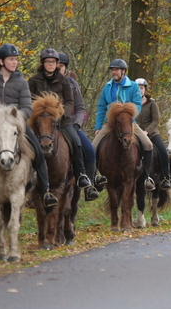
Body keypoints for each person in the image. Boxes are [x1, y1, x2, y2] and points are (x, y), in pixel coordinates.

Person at [0, 44, 58, 214]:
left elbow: (27, 108)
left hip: (17, 127)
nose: (15, 62)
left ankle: (46, 192)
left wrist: (13, 119)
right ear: (1, 61)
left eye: (16, 59)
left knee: (38, 152)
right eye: (11, 59)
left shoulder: (21, 82)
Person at [28, 48, 95, 197]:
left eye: (53, 62)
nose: (50, 64)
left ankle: (82, 176)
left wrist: (61, 113)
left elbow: (70, 101)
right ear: (43, 63)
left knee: (76, 142)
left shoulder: (64, 81)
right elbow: (29, 100)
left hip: (61, 121)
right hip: (39, 122)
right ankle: (27, 180)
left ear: (57, 64)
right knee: (25, 143)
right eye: (47, 62)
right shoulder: (34, 81)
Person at [92, 59, 156, 191]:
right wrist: (98, 127)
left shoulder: (132, 86)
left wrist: (129, 117)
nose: (114, 72)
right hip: (111, 123)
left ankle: (146, 177)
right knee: (93, 147)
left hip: (129, 122)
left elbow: (137, 104)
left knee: (148, 145)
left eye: (116, 69)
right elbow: (101, 107)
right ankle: (96, 176)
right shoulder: (107, 87)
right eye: (112, 70)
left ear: (123, 71)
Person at [57, 51, 104, 200]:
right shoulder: (43, 82)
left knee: (89, 150)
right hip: (48, 125)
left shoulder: (72, 84)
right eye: (56, 66)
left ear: (65, 68)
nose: (58, 69)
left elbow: (80, 108)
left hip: (69, 124)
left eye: (61, 66)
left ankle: (88, 185)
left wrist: (77, 124)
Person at [135, 78, 171, 190]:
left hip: (151, 133)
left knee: (162, 151)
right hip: (135, 134)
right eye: (137, 88)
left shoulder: (152, 103)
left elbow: (156, 120)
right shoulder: (130, 103)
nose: (139, 90)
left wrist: (146, 131)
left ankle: (166, 177)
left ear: (145, 89)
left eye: (141, 88)